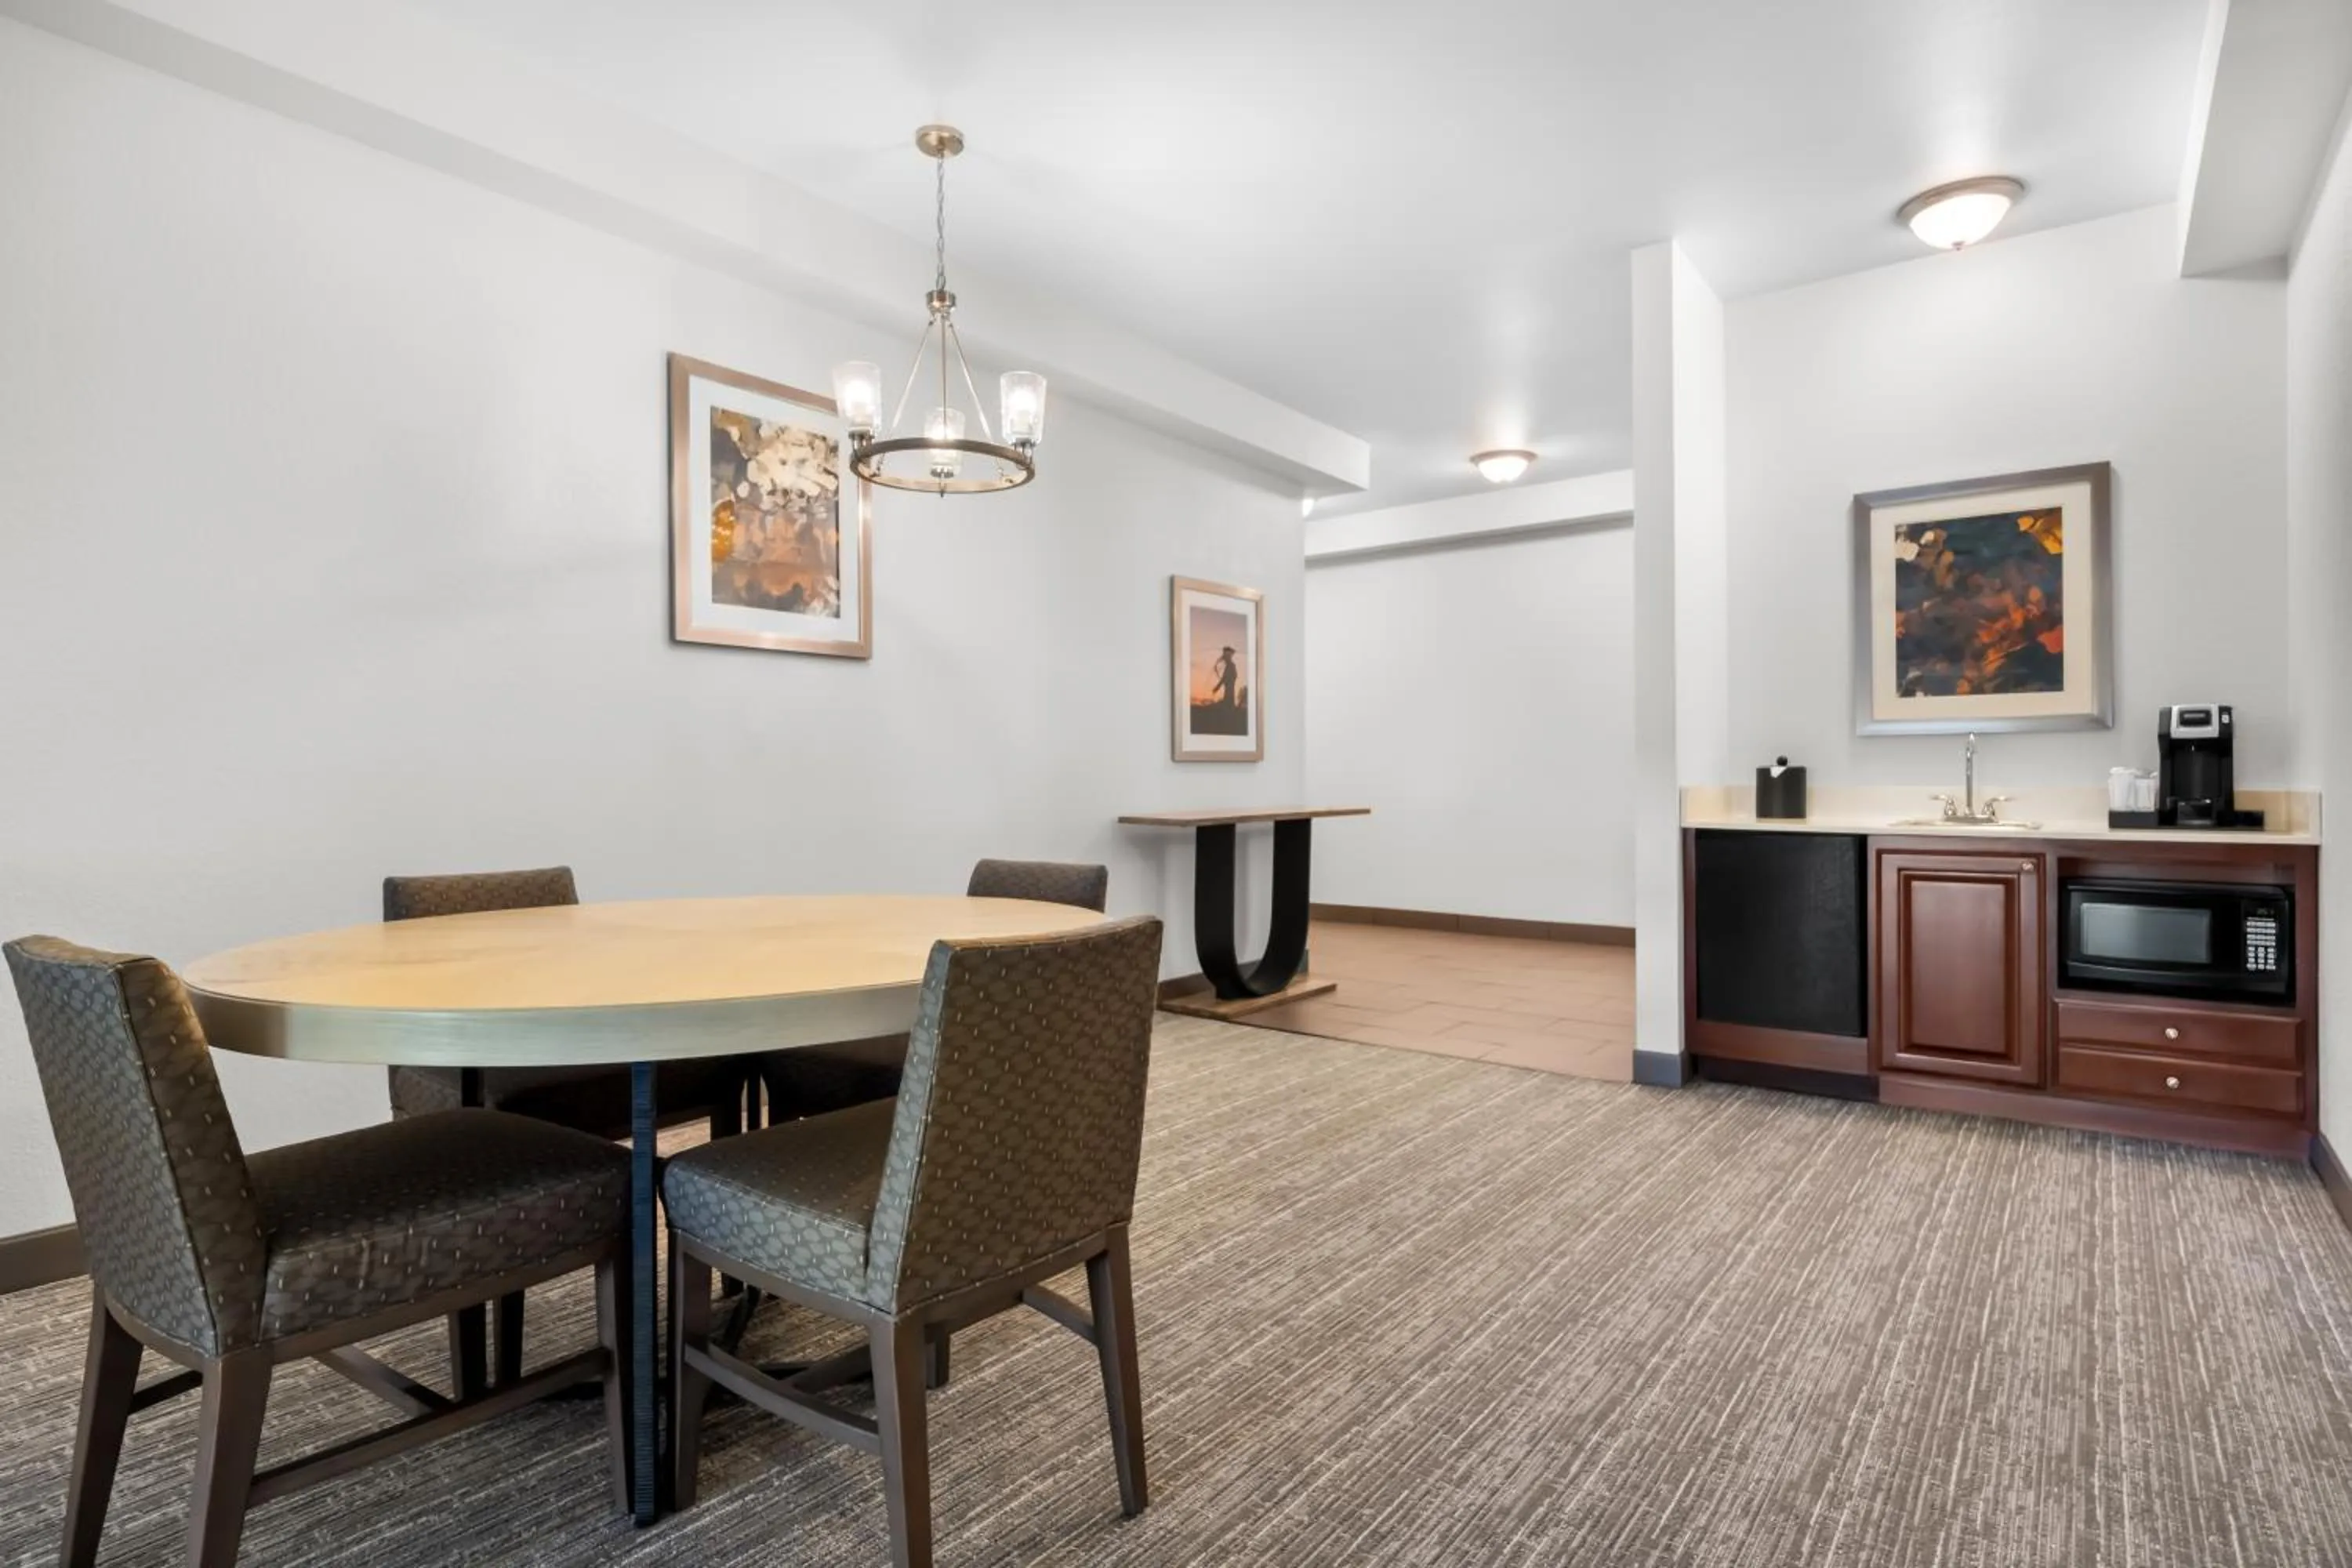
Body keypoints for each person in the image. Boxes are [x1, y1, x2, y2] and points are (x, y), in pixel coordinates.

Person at [1211, 645, 1240, 710]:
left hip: (1229, 694)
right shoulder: (1231, 665)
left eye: (1226, 655)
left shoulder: (1231, 666)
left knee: (1226, 705)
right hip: (1229, 693)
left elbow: (1224, 678)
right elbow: (1226, 678)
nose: (1224, 658)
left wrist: (1216, 688)